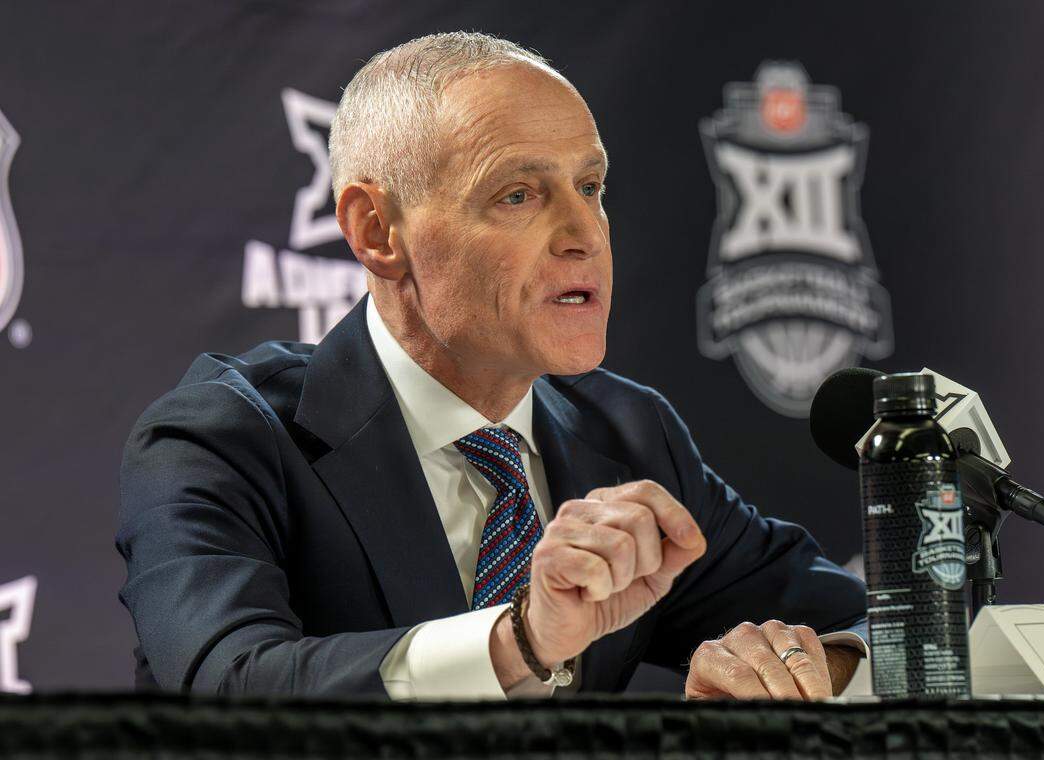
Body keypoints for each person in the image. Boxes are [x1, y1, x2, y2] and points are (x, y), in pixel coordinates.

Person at [116, 32, 867, 701]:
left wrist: (806, 664)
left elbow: (878, 620)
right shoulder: (223, 436)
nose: (584, 236)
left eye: (591, 187)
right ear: (377, 231)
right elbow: (230, 683)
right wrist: (521, 643)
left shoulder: (632, 436)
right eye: (518, 194)